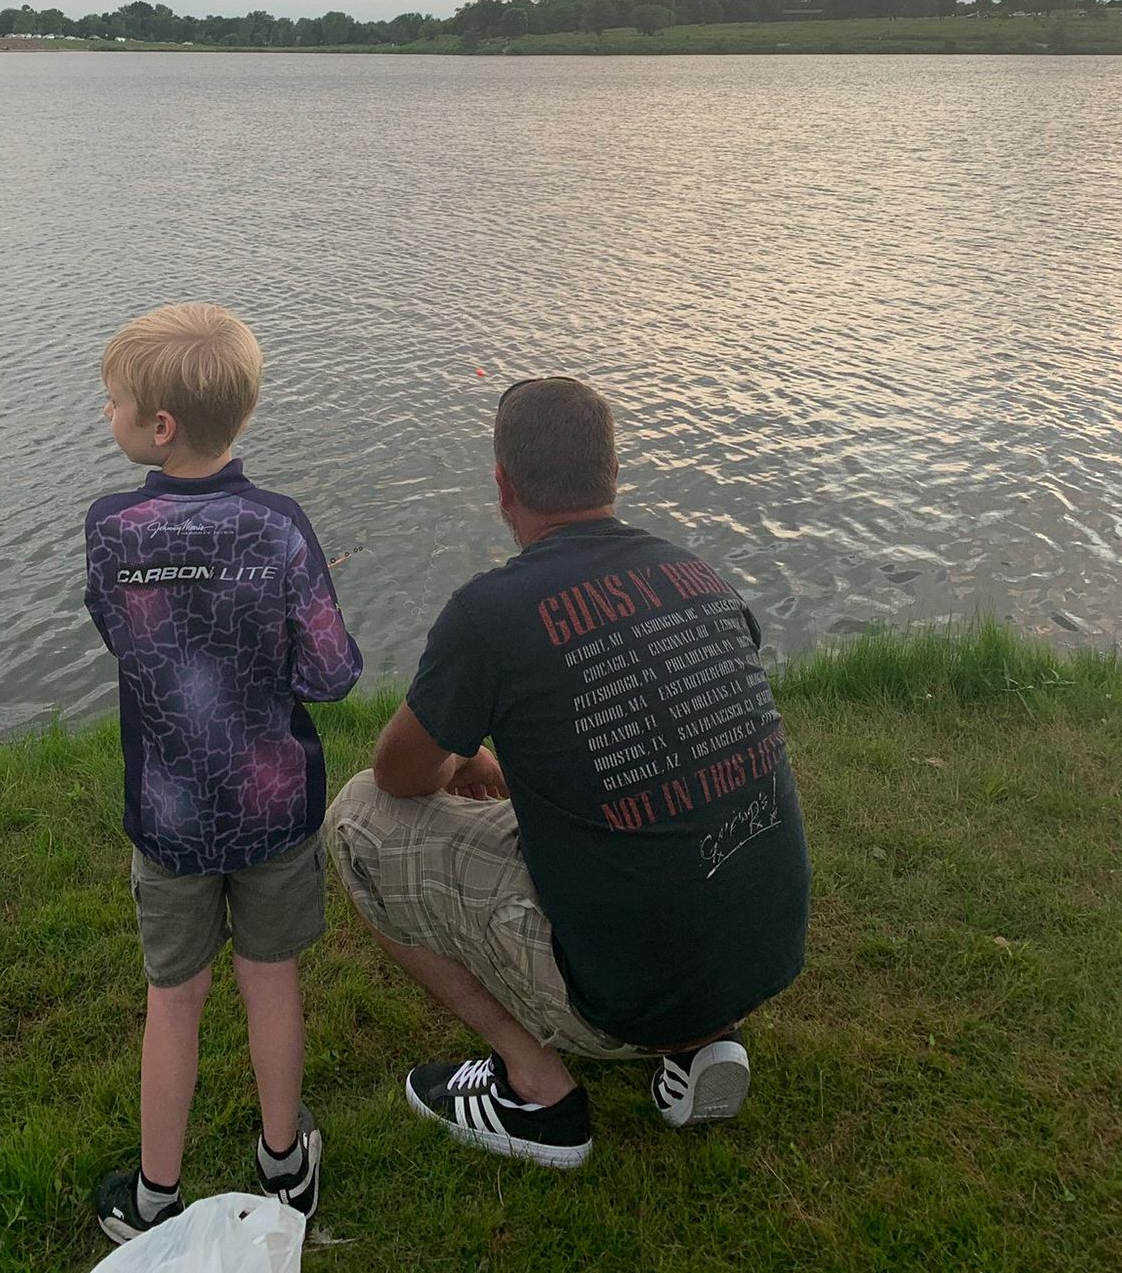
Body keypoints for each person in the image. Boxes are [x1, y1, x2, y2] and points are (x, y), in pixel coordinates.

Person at [326, 376, 810, 1168]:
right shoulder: (700, 578)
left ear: (502, 486)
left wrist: (460, 754)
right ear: (613, 475)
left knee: (354, 818)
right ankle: (703, 1043)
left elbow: (399, 773)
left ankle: (538, 1094)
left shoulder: (491, 612)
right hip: (766, 953)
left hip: (621, 1001)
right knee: (672, 806)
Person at [85, 303, 362, 1240]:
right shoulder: (280, 526)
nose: (108, 416)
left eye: (114, 403)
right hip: (274, 812)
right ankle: (285, 1168)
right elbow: (330, 673)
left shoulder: (113, 528)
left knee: (175, 996)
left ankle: (154, 1197)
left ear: (159, 429)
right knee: (269, 978)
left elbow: (123, 637)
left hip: (168, 817)